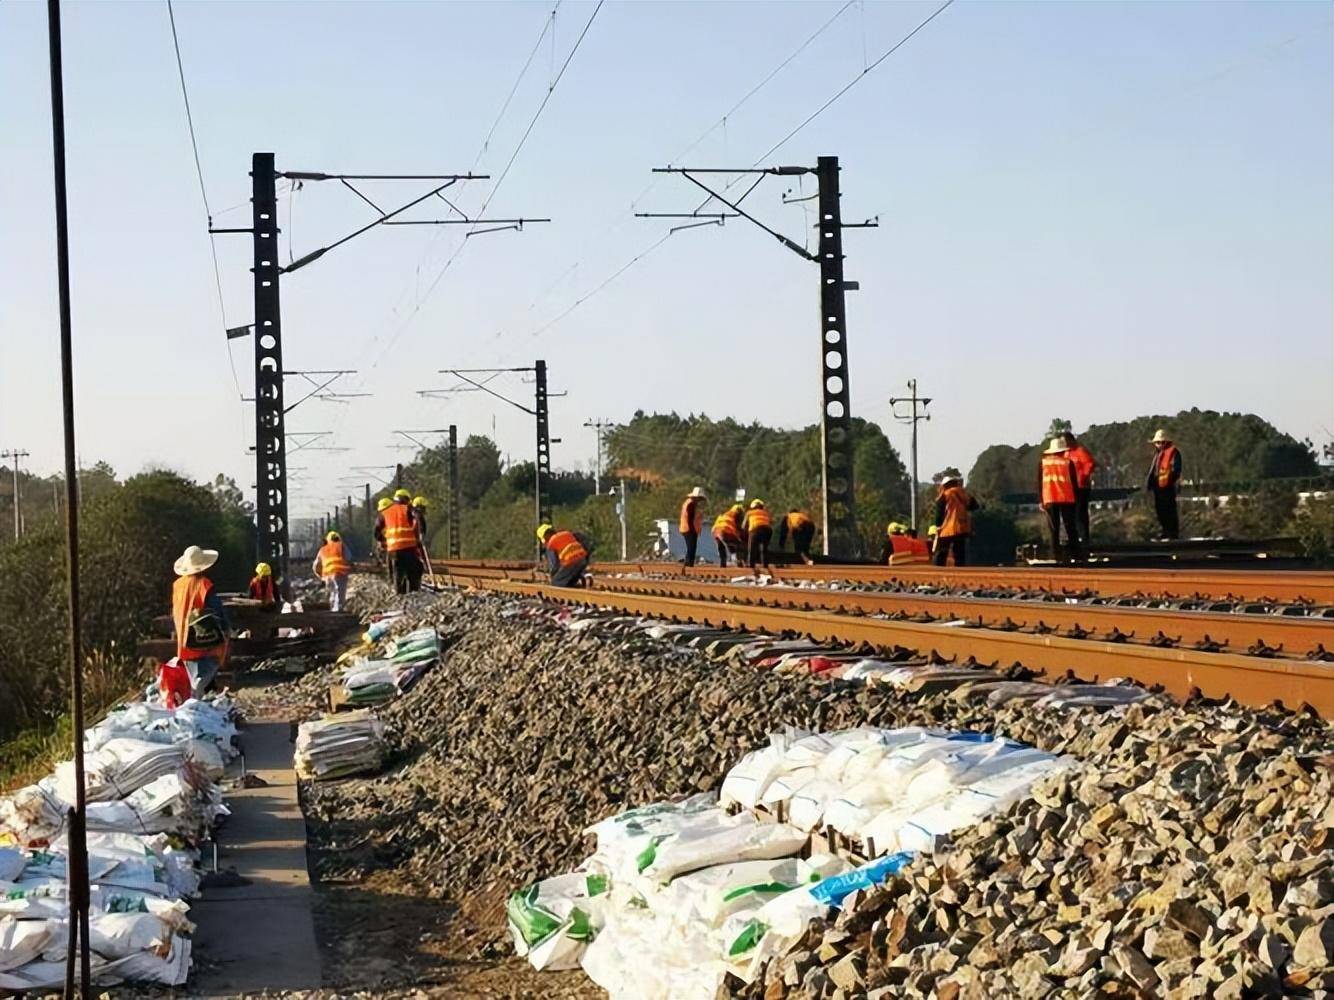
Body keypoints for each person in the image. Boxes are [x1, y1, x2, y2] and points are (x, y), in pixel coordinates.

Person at [170, 544, 230, 697]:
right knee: (209, 664)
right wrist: (226, 628)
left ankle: (200, 695)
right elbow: (216, 610)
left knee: (193, 671)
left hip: (184, 637)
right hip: (203, 637)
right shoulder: (204, 585)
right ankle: (197, 694)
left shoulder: (178, 585)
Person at [1038, 438, 1082, 561]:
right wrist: (1077, 499)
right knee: (1070, 527)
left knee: (1054, 529)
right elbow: (1074, 483)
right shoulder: (1068, 463)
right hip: (1067, 497)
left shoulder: (1043, 463)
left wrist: (1041, 500)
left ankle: (1055, 554)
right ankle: (1076, 554)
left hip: (1050, 498)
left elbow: (1039, 483)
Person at [376, 489, 422, 594]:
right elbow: (418, 518)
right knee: (414, 571)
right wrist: (418, 538)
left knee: (398, 574)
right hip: (409, 547)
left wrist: (385, 541)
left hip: (393, 550)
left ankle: (399, 594)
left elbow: (376, 532)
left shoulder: (385, 512)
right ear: (406, 499)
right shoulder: (409, 509)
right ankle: (414, 594)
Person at [933, 475, 980, 566]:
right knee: (960, 553)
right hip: (962, 527)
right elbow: (974, 506)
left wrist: (938, 526)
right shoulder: (964, 494)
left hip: (948, 528)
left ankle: (938, 571)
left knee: (941, 552)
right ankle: (960, 572)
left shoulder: (945, 495)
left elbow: (939, 513)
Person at [1146, 428, 1182, 539]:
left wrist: (1169, 480)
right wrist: (1150, 484)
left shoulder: (1174, 452)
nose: (1158, 444)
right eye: (1156, 443)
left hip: (1168, 487)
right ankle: (1165, 531)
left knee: (1169, 510)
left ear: (1165, 442)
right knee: (1160, 510)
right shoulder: (1158, 455)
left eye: (1160, 442)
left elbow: (1176, 469)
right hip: (1158, 488)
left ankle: (1172, 533)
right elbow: (1153, 471)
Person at [1064, 433, 1097, 547]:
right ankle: (1074, 539)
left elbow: (1090, 464)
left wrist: (1083, 476)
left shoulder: (1080, 451)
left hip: (1081, 487)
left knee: (1080, 514)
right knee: (1070, 515)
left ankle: (1084, 539)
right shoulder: (1066, 453)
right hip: (1069, 488)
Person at [537, 523, 591, 587]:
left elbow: (554, 566)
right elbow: (583, 543)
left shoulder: (551, 544)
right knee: (568, 579)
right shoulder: (567, 533)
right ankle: (581, 579)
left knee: (556, 582)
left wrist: (553, 577)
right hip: (583, 560)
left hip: (570, 562)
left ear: (545, 536)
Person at [313, 530, 352, 612]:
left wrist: (320, 576)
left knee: (332, 594)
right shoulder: (341, 546)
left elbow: (316, 566)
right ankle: (338, 612)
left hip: (327, 576)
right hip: (340, 573)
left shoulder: (322, 549)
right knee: (339, 594)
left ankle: (332, 611)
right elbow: (348, 557)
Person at [679, 487, 707, 567]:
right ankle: (688, 565)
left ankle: (689, 564)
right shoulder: (690, 504)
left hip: (687, 528)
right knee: (691, 547)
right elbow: (690, 519)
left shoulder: (689, 503)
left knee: (691, 547)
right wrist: (693, 530)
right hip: (689, 529)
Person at [712, 503, 745, 568]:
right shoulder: (736, 515)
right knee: (737, 544)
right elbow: (738, 528)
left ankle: (723, 564)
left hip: (715, 531)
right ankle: (737, 561)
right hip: (725, 531)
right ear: (739, 511)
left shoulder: (724, 514)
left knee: (721, 546)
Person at [744, 499, 773, 570]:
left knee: (752, 548)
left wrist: (745, 532)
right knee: (764, 549)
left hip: (755, 529)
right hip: (767, 530)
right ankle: (765, 565)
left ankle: (751, 565)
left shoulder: (749, 513)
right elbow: (770, 522)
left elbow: (744, 525)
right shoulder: (766, 513)